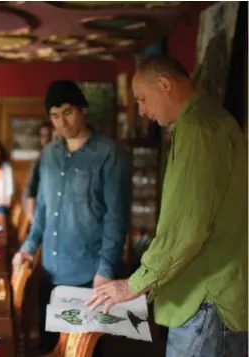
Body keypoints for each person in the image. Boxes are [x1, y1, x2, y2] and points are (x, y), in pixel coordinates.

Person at [86, 55, 248, 357]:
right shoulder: (213, 121)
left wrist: (135, 283)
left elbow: (186, 227)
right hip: (217, 292)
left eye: (143, 99)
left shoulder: (198, 130)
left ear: (164, 84)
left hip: (205, 298)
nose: (142, 111)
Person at [13, 80, 131, 353]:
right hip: (51, 274)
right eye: (54, 116)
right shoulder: (49, 155)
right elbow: (41, 209)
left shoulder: (110, 154)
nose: (62, 122)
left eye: (68, 112)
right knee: (50, 348)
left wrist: (105, 270)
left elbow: (117, 218)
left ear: (83, 110)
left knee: (83, 353)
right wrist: (28, 248)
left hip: (90, 278)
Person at [23, 122, 53, 221]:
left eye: (49, 135)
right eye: (43, 136)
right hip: (42, 211)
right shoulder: (40, 159)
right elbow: (30, 188)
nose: (46, 139)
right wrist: (32, 216)